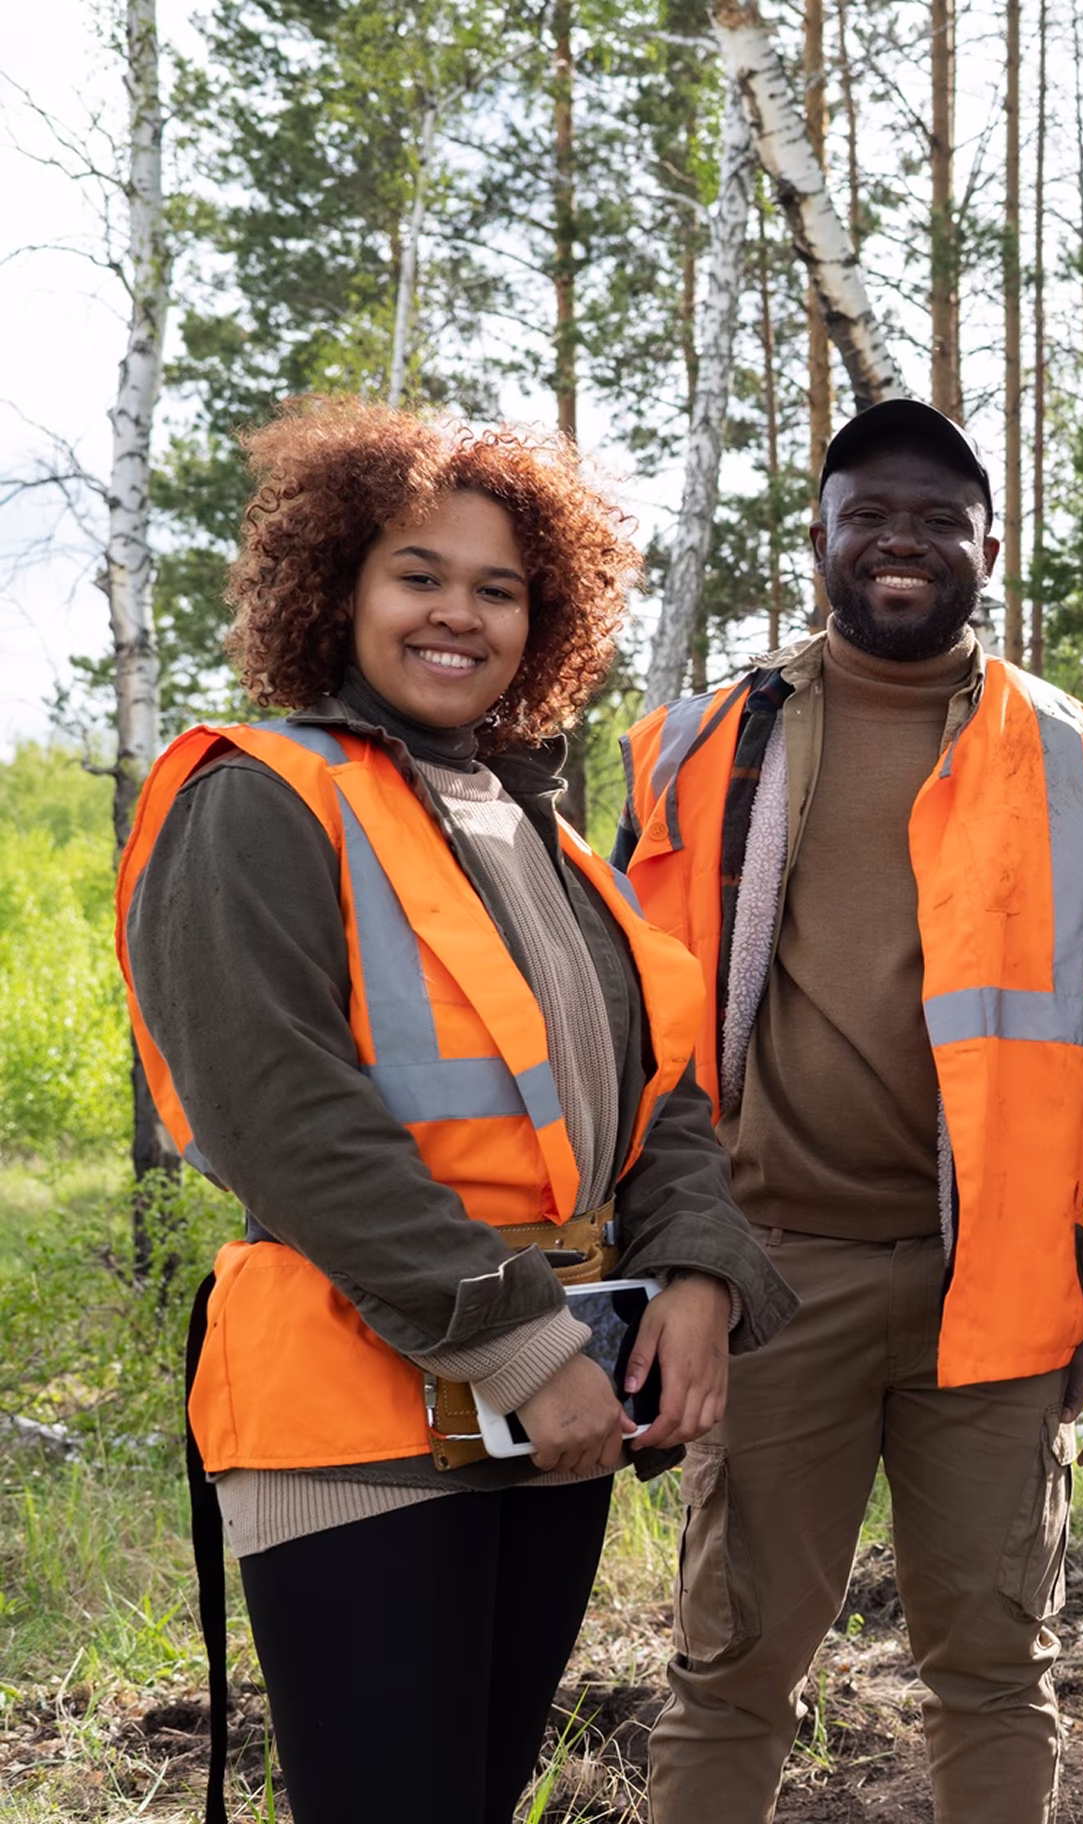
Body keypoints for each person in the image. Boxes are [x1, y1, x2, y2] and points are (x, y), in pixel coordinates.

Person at [117, 397, 794, 1824]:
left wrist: (695, 1274)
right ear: (339, 589)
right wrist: (516, 1339)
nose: (459, 615)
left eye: (500, 589)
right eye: (418, 574)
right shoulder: (257, 801)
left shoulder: (534, 829)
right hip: (362, 1419)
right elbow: (288, 1121)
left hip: (544, 1415)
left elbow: (653, 1091)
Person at [621, 397, 1083, 1822]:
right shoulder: (698, 748)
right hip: (771, 1280)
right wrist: (650, 1276)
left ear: (989, 545)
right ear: (817, 537)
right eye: (870, 512)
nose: (903, 541)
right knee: (731, 1669)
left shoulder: (1074, 757)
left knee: (996, 1664)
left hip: (995, 1295)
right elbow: (635, 1041)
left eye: (940, 518)